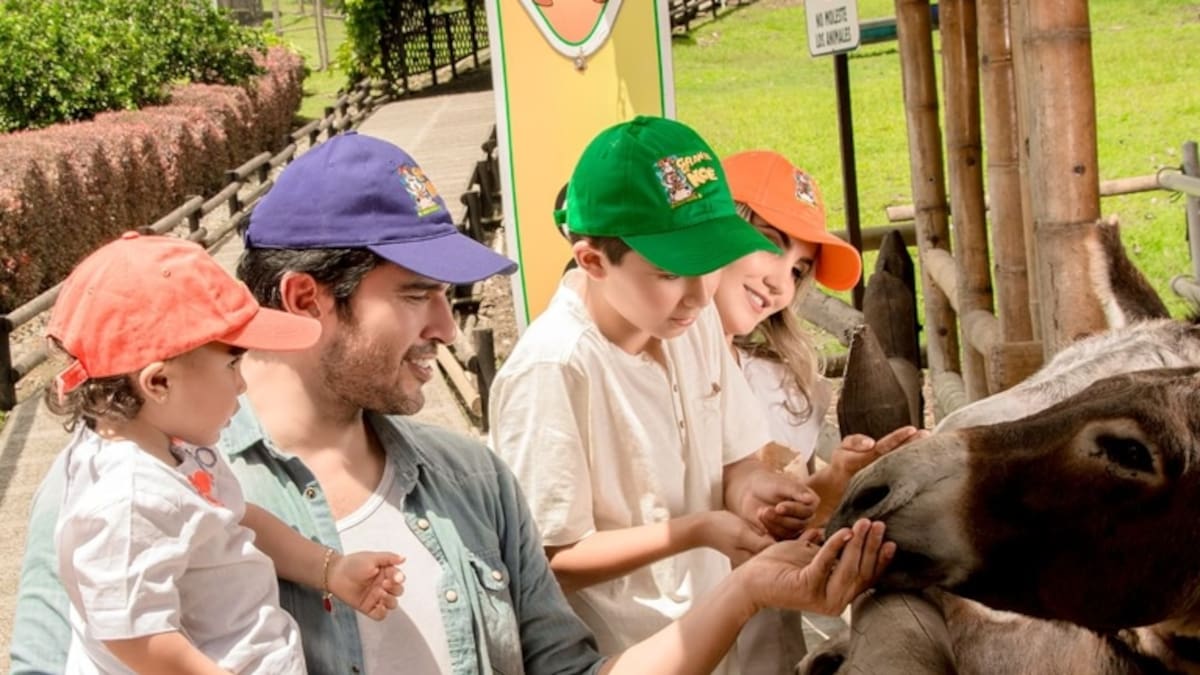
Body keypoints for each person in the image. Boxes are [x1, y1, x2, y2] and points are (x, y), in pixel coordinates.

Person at [11, 131, 893, 675]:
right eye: (414, 294)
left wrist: (739, 594)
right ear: (307, 300)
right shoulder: (123, 483)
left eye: (448, 295)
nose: (445, 323)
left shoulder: (473, 483)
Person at [488, 116, 894, 673]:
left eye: (708, 264)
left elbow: (736, 463)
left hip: (720, 645)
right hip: (625, 654)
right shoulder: (553, 369)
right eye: (670, 272)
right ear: (593, 261)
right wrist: (697, 531)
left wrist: (761, 496)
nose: (700, 295)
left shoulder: (690, 323)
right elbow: (551, 559)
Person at [40, 233, 404, 673]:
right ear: (158, 383)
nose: (242, 383)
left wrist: (331, 569)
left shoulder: (167, 448)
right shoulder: (128, 497)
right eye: (232, 364)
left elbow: (234, 519)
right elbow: (135, 636)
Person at [716, 151, 926, 672]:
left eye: (799, 270)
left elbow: (790, 520)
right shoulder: (642, 374)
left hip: (766, 651)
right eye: (767, 244)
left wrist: (839, 476)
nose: (779, 284)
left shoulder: (783, 386)